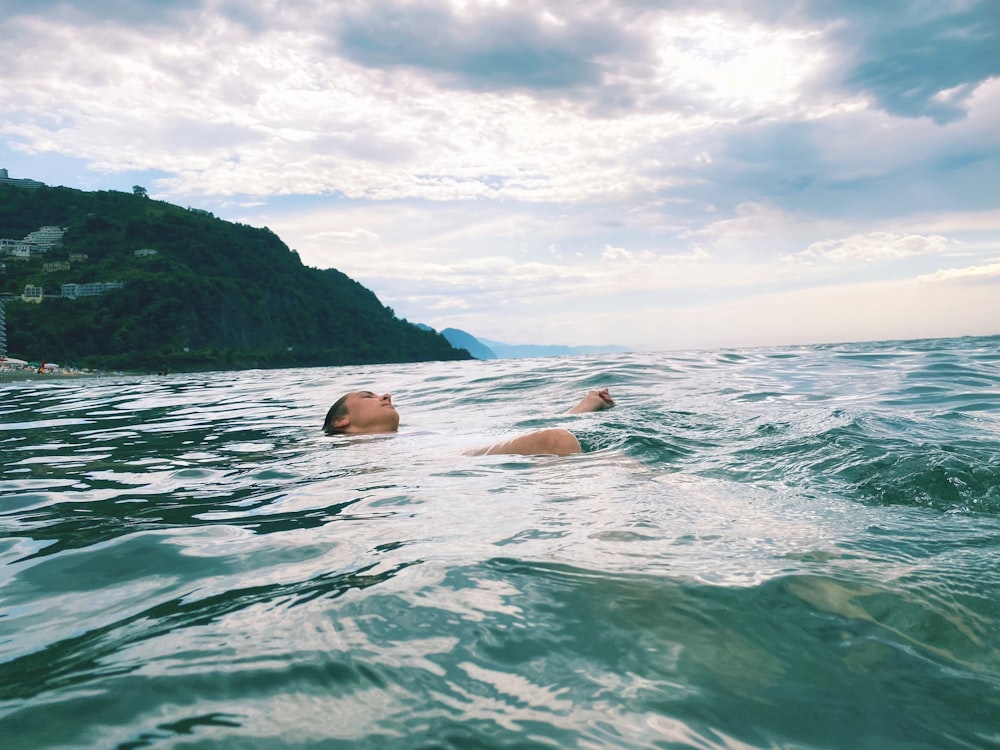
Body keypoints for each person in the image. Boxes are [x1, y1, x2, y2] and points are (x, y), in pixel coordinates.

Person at [322, 388, 615, 456]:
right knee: (555, 440)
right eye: (368, 396)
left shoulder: (415, 435)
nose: (385, 395)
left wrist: (587, 405)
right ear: (341, 421)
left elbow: (519, 433)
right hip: (447, 463)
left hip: (467, 454)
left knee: (616, 458)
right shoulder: (352, 452)